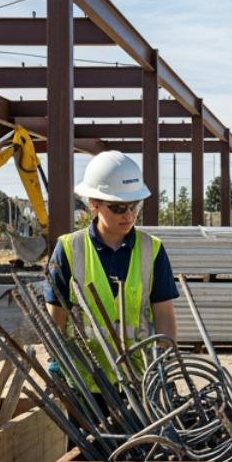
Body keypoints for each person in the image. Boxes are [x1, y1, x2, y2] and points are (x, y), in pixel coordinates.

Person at [45, 151, 178, 372]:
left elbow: (164, 314)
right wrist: (57, 358)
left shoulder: (152, 249)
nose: (129, 215)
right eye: (118, 207)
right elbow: (57, 314)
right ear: (94, 204)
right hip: (86, 377)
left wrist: (163, 362)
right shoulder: (70, 249)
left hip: (140, 375)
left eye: (135, 206)